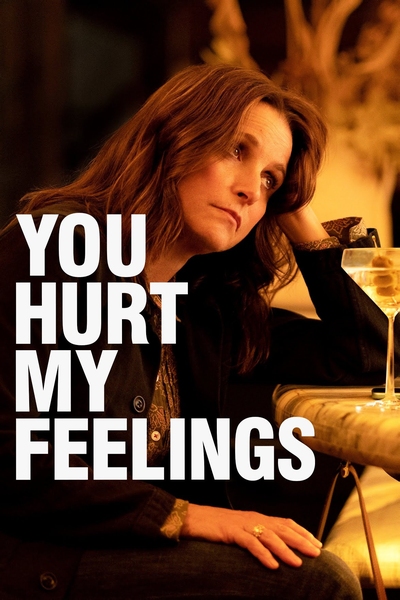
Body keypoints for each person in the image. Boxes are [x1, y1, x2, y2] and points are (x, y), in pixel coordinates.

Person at [0, 63, 391, 599]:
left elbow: (369, 353)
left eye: (270, 180)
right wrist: (188, 516)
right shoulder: (60, 248)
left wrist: (301, 212)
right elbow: (16, 459)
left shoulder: (203, 306)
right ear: (176, 138)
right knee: (318, 583)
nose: (251, 191)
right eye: (236, 151)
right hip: (39, 556)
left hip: (123, 548)